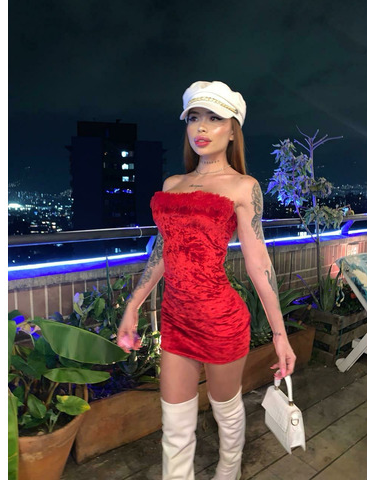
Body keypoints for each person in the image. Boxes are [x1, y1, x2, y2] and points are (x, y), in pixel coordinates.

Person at [117, 80, 296, 480]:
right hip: (176, 318)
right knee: (174, 425)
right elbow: (162, 253)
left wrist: (280, 335)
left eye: (214, 118)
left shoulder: (243, 187)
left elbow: (259, 265)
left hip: (220, 320)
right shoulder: (172, 185)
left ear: (232, 130)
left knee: (225, 410)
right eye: (194, 117)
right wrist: (133, 305)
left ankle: (229, 472)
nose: (201, 127)